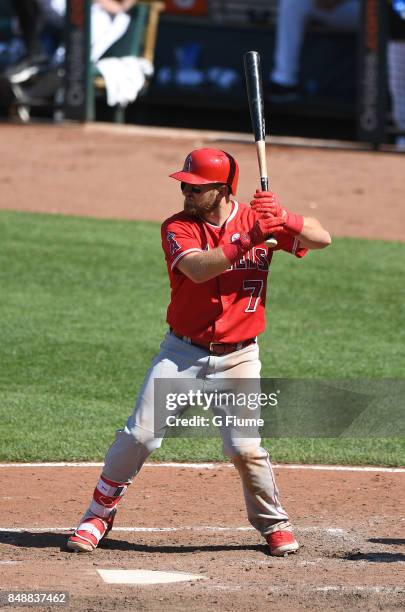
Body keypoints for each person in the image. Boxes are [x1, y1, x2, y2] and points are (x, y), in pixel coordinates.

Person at [67, 148, 331, 557]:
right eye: (184, 186)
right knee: (139, 435)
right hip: (182, 353)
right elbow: (198, 268)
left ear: (224, 190)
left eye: (196, 187)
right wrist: (251, 238)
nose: (186, 193)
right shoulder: (178, 226)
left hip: (240, 356)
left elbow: (322, 238)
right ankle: (98, 514)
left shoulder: (255, 219)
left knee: (244, 448)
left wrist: (285, 220)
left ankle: (273, 523)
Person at [270, 0, 361, 100]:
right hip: (335, 8)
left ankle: (375, 91)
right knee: (292, 2)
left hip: (370, 11)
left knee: (374, 11)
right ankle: (284, 82)